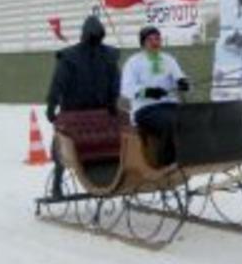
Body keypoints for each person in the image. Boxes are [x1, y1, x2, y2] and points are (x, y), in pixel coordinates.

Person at [45, 15, 121, 197]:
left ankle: (59, 183)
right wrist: (52, 103)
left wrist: (51, 104)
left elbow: (58, 84)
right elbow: (59, 83)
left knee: (63, 147)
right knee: (65, 146)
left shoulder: (71, 56)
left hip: (83, 112)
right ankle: (57, 183)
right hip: (85, 111)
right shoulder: (74, 57)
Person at [121, 26, 189, 167]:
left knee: (192, 117)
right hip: (145, 109)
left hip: (170, 105)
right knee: (169, 121)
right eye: (150, 39)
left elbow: (179, 77)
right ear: (143, 43)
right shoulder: (133, 62)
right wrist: (148, 92)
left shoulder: (168, 59)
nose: (154, 42)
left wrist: (183, 82)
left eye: (157, 39)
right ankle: (167, 161)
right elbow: (126, 89)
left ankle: (193, 154)